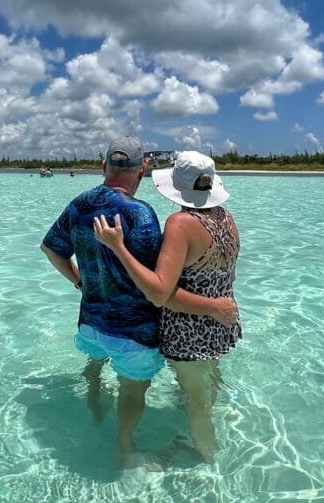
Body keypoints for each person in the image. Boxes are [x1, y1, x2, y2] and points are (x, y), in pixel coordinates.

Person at [41, 136, 237, 465]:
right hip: (131, 332)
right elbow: (157, 285)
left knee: (95, 367)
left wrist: (80, 281)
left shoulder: (78, 204)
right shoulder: (140, 213)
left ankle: (94, 404)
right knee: (132, 390)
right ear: (142, 169)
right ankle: (125, 448)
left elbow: (51, 249)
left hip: (90, 321)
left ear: (104, 166)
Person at [93, 151, 239, 462]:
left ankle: (207, 460)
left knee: (198, 402)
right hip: (220, 326)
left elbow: (159, 293)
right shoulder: (226, 218)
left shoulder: (181, 223)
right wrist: (218, 309)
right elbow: (227, 278)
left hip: (190, 330)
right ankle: (200, 446)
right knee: (205, 389)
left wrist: (117, 247)